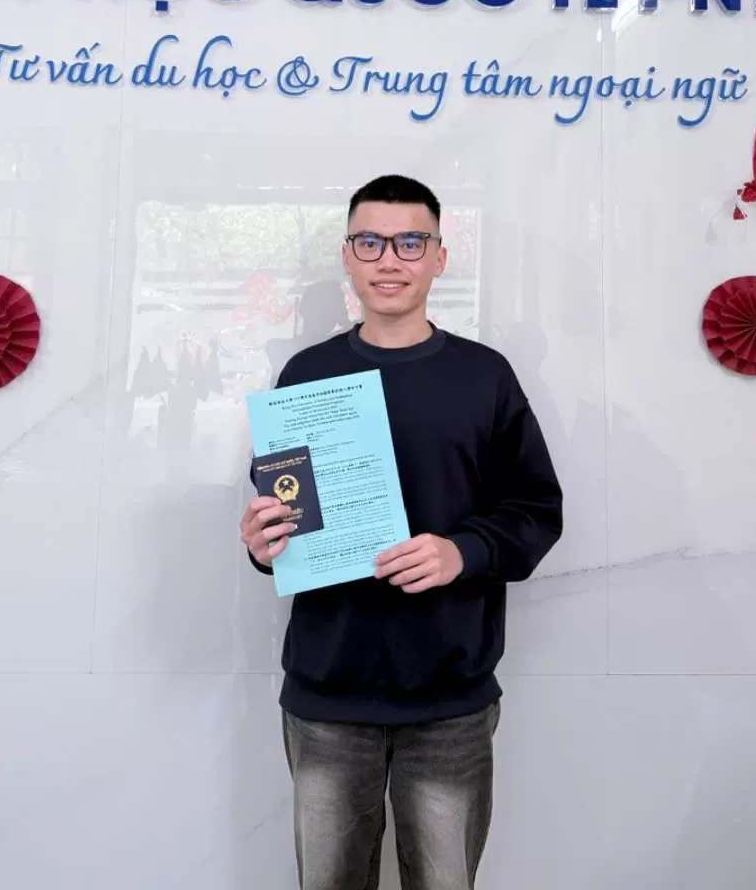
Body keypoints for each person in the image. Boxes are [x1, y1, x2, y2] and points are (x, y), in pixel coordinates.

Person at [239, 174, 563, 890]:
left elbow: (537, 510)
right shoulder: (306, 374)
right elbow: (283, 517)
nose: (390, 259)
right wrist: (264, 545)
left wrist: (462, 552)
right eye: (371, 242)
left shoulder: (485, 376)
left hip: (449, 699)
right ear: (347, 256)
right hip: (328, 695)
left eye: (411, 242)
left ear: (439, 256)